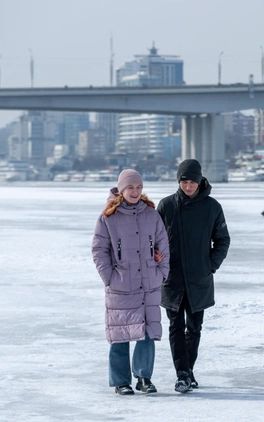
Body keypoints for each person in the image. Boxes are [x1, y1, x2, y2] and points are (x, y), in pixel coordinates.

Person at [92, 169, 170, 395]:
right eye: (130, 188)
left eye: (138, 188)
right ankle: (120, 381)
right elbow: (99, 251)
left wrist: (161, 272)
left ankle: (144, 377)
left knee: (147, 333)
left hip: (148, 283)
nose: (135, 192)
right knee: (120, 334)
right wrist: (110, 277)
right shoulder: (108, 216)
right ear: (121, 190)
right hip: (121, 284)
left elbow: (163, 244)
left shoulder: (151, 214)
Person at [157, 159, 230, 393]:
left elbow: (222, 240)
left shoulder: (212, 207)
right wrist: (156, 258)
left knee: (194, 328)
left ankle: (187, 371)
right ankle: (183, 374)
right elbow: (154, 240)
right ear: (179, 181)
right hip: (172, 278)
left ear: (200, 181)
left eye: (192, 182)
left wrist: (210, 265)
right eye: (184, 181)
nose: (188, 186)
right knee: (175, 326)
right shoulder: (166, 205)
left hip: (200, 279)